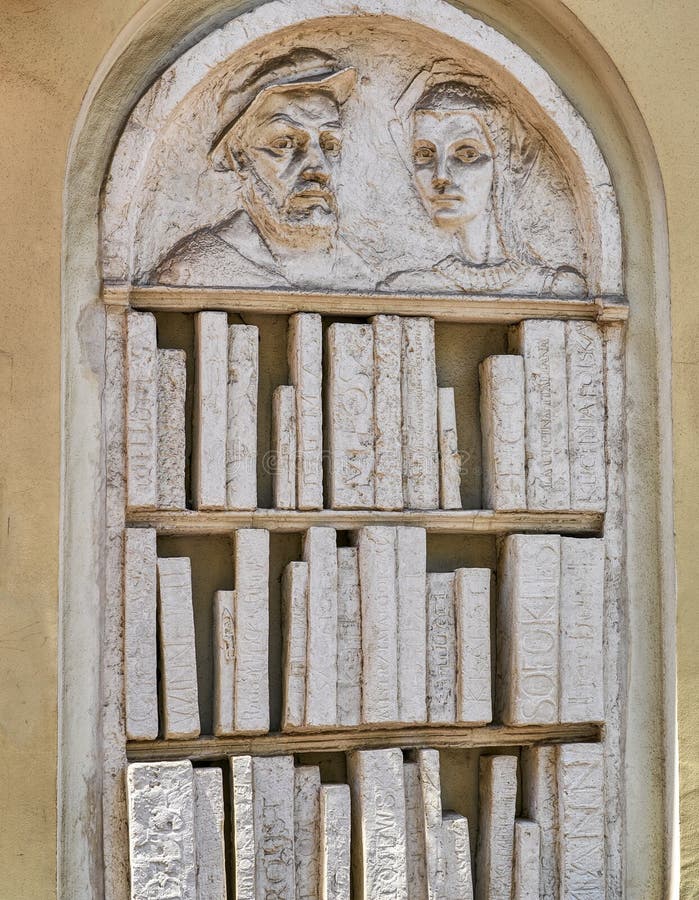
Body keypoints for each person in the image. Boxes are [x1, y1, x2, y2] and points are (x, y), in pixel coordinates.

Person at [153, 50, 369, 289]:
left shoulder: (361, 272)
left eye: (330, 145)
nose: (320, 169)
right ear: (238, 156)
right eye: (284, 144)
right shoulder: (196, 271)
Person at [380, 64, 587, 296]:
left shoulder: (555, 288)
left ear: (503, 165)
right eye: (425, 155)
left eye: (467, 154)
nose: (440, 176)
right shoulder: (405, 288)